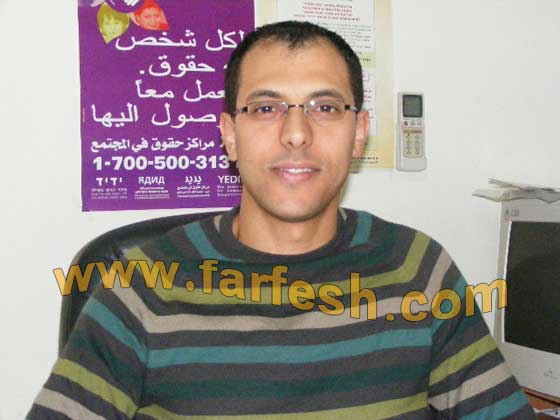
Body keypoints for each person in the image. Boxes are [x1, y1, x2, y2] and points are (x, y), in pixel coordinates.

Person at [28, 21, 535, 419]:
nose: (296, 133)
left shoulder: (418, 269)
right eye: (266, 108)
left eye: (325, 107)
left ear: (359, 133)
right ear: (230, 135)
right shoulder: (141, 288)